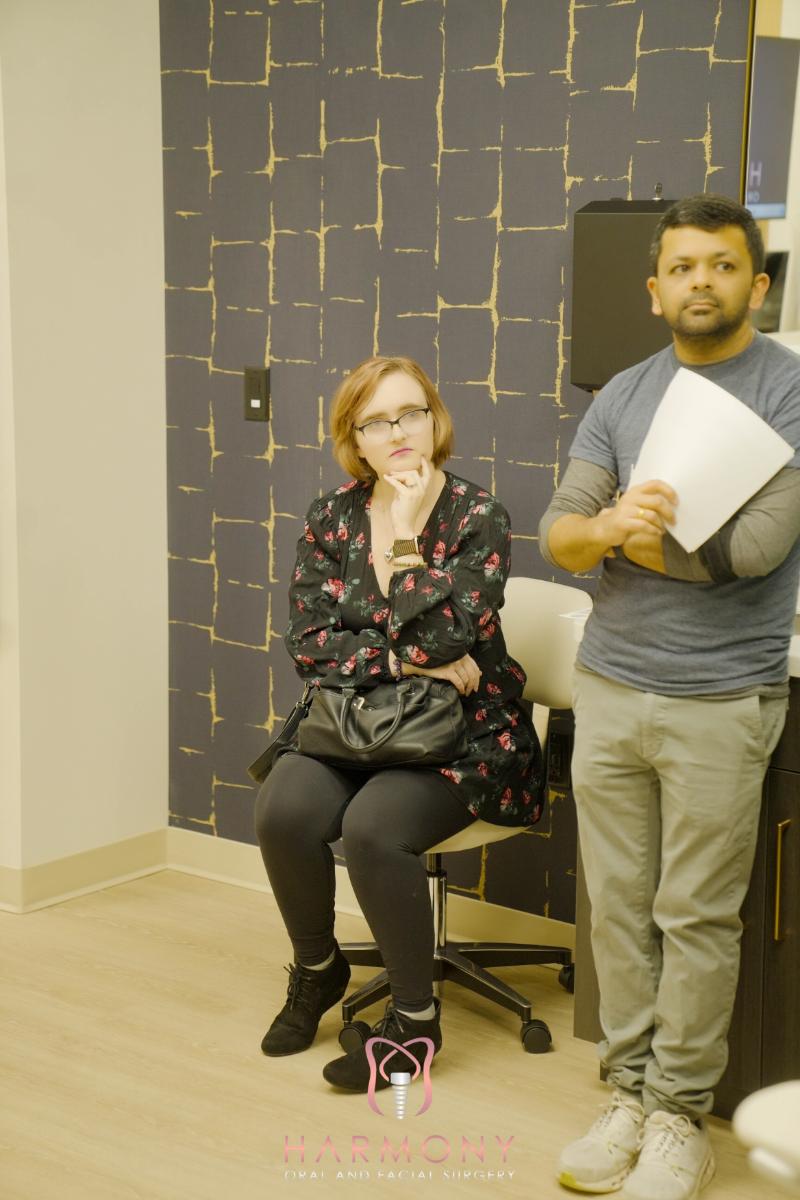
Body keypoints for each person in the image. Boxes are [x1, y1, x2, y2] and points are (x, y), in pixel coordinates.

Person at [539, 194, 800, 1199]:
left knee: (694, 916)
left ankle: (677, 1118)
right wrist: (609, 529)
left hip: (717, 700)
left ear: (756, 285)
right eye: (681, 267)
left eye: (720, 265)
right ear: (653, 292)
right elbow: (560, 538)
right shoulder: (622, 396)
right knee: (616, 912)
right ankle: (624, 1097)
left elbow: (750, 551)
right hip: (609, 689)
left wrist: (627, 534)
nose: (701, 281)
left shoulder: (784, 392)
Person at [254, 354, 542, 1093]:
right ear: (355, 435)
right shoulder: (334, 516)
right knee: (283, 808)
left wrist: (410, 536)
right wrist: (405, 662)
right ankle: (318, 971)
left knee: (375, 828)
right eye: (376, 421)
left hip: (467, 733)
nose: (398, 432)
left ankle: (415, 1022)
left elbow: (443, 641)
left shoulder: (480, 517)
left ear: (434, 417)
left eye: (410, 413)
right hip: (352, 723)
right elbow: (311, 643)